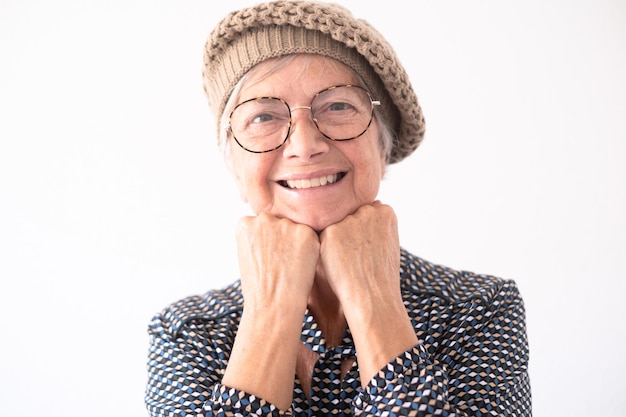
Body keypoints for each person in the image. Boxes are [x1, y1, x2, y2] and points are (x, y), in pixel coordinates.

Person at [144, 1, 532, 416]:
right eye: (263, 117)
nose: (304, 144)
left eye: (338, 106)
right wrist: (271, 312)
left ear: (381, 148)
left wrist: (374, 300)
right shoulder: (187, 332)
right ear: (235, 166)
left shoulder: (477, 310)